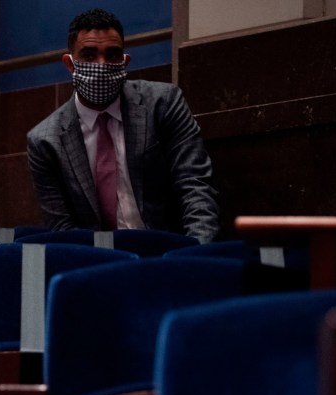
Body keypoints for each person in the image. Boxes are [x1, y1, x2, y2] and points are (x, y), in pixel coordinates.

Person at [27, 8, 219, 243]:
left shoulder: (162, 104)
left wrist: (196, 255)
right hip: (98, 263)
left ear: (125, 61)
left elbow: (195, 187)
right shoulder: (45, 140)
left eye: (112, 54)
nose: (102, 64)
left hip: (167, 252)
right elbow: (62, 228)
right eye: (88, 55)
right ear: (70, 63)